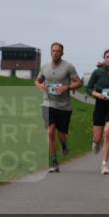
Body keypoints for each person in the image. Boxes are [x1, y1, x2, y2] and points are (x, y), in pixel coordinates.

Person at [35, 42, 81, 173]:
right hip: (48, 104)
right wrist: (41, 87)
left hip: (64, 106)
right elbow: (37, 81)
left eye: (58, 51)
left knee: (61, 135)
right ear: (50, 52)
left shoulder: (68, 67)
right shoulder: (45, 67)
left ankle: (64, 145)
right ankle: (54, 161)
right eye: (53, 51)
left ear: (62, 53)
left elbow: (78, 83)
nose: (55, 53)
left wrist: (67, 87)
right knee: (50, 131)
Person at [85, 49, 109, 174]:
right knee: (98, 138)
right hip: (100, 106)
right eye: (107, 57)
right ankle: (96, 142)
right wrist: (97, 94)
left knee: (107, 134)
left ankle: (104, 165)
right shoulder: (97, 72)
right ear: (104, 58)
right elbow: (88, 88)